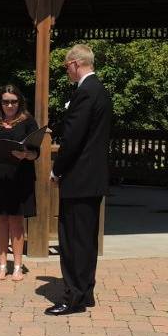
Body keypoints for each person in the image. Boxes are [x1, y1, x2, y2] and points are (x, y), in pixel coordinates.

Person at [46, 44, 112, 316]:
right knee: (86, 240)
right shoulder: (102, 91)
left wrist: (57, 169)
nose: (66, 71)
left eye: (66, 66)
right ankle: (85, 292)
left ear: (76, 63)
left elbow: (73, 139)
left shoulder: (85, 93)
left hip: (79, 177)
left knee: (72, 240)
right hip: (93, 178)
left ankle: (72, 297)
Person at [0, 85, 39, 281]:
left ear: (19, 102)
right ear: (0, 102)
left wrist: (26, 154)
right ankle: (2, 264)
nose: (10, 105)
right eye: (6, 101)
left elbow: (36, 152)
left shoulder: (28, 121)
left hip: (20, 177)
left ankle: (18, 266)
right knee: (1, 221)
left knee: (16, 222)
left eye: (13, 101)